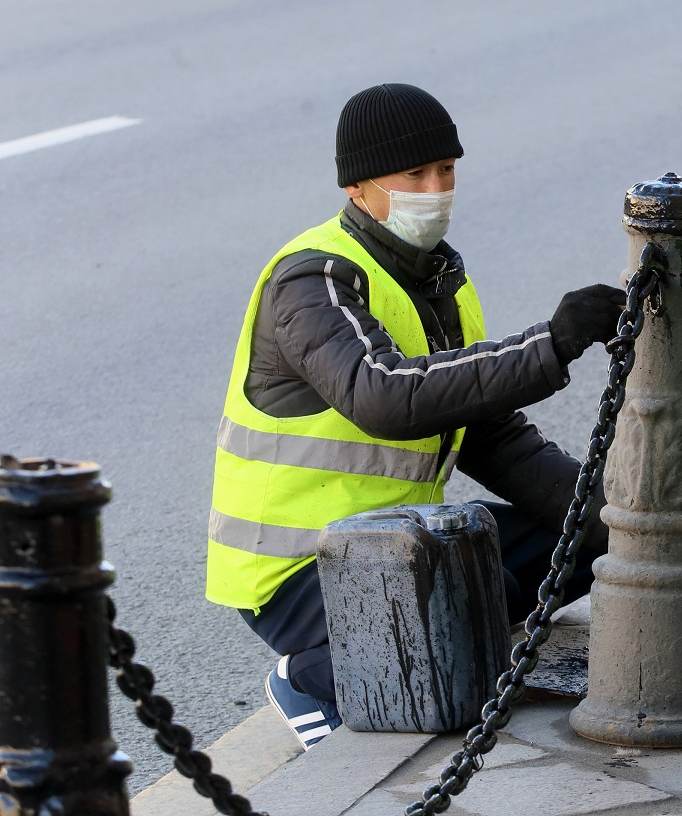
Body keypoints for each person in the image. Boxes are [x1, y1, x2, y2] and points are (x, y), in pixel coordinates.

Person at [205, 83, 624, 749]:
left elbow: (491, 434)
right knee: (476, 620)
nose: (436, 188)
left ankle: (470, 609)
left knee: (590, 546)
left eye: (447, 170)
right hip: (297, 564)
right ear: (358, 186)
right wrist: (551, 344)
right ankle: (310, 675)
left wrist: (614, 517)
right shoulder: (313, 278)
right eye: (415, 173)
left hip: (400, 540)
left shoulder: (439, 281)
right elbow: (382, 394)